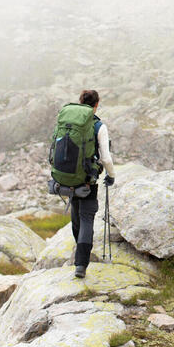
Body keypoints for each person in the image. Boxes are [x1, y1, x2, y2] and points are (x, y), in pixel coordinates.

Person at [71, 89, 115, 278]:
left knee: (76, 216)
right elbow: (105, 157)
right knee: (87, 218)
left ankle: (79, 253)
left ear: (80, 102)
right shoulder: (99, 126)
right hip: (88, 180)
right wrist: (111, 176)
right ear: (96, 105)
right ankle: (81, 265)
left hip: (69, 178)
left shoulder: (69, 122)